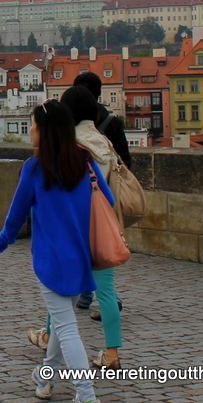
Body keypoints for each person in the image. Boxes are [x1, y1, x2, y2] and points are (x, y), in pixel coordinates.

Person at [0, 99, 111, 403]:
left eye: (32, 125)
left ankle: (86, 394)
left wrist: (0, 242)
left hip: (52, 260)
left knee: (68, 329)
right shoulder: (84, 161)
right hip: (81, 257)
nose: (29, 130)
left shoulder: (35, 167)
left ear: (45, 131)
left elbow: (16, 216)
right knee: (62, 320)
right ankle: (45, 379)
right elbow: (107, 199)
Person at [71, 70, 131, 312]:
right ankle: (90, 295)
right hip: (106, 197)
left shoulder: (70, 130)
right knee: (101, 245)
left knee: (83, 246)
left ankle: (100, 297)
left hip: (80, 199)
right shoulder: (111, 123)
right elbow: (125, 161)